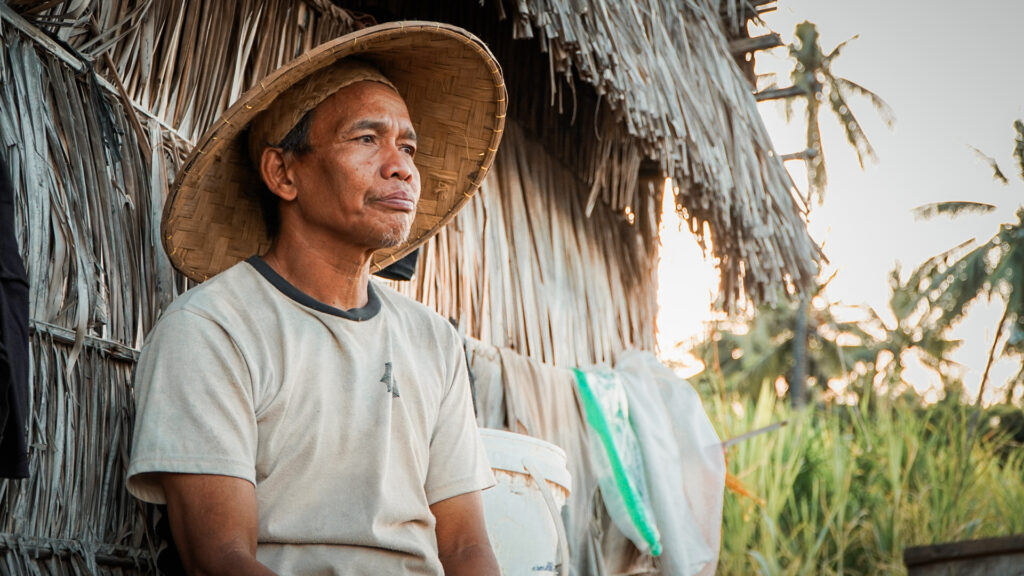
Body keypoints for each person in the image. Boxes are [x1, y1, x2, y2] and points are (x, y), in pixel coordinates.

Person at [126, 22, 507, 576]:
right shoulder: (212, 329)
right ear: (283, 173)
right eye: (366, 139)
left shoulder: (433, 341)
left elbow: (467, 547)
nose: (401, 166)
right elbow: (221, 558)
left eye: (408, 147)